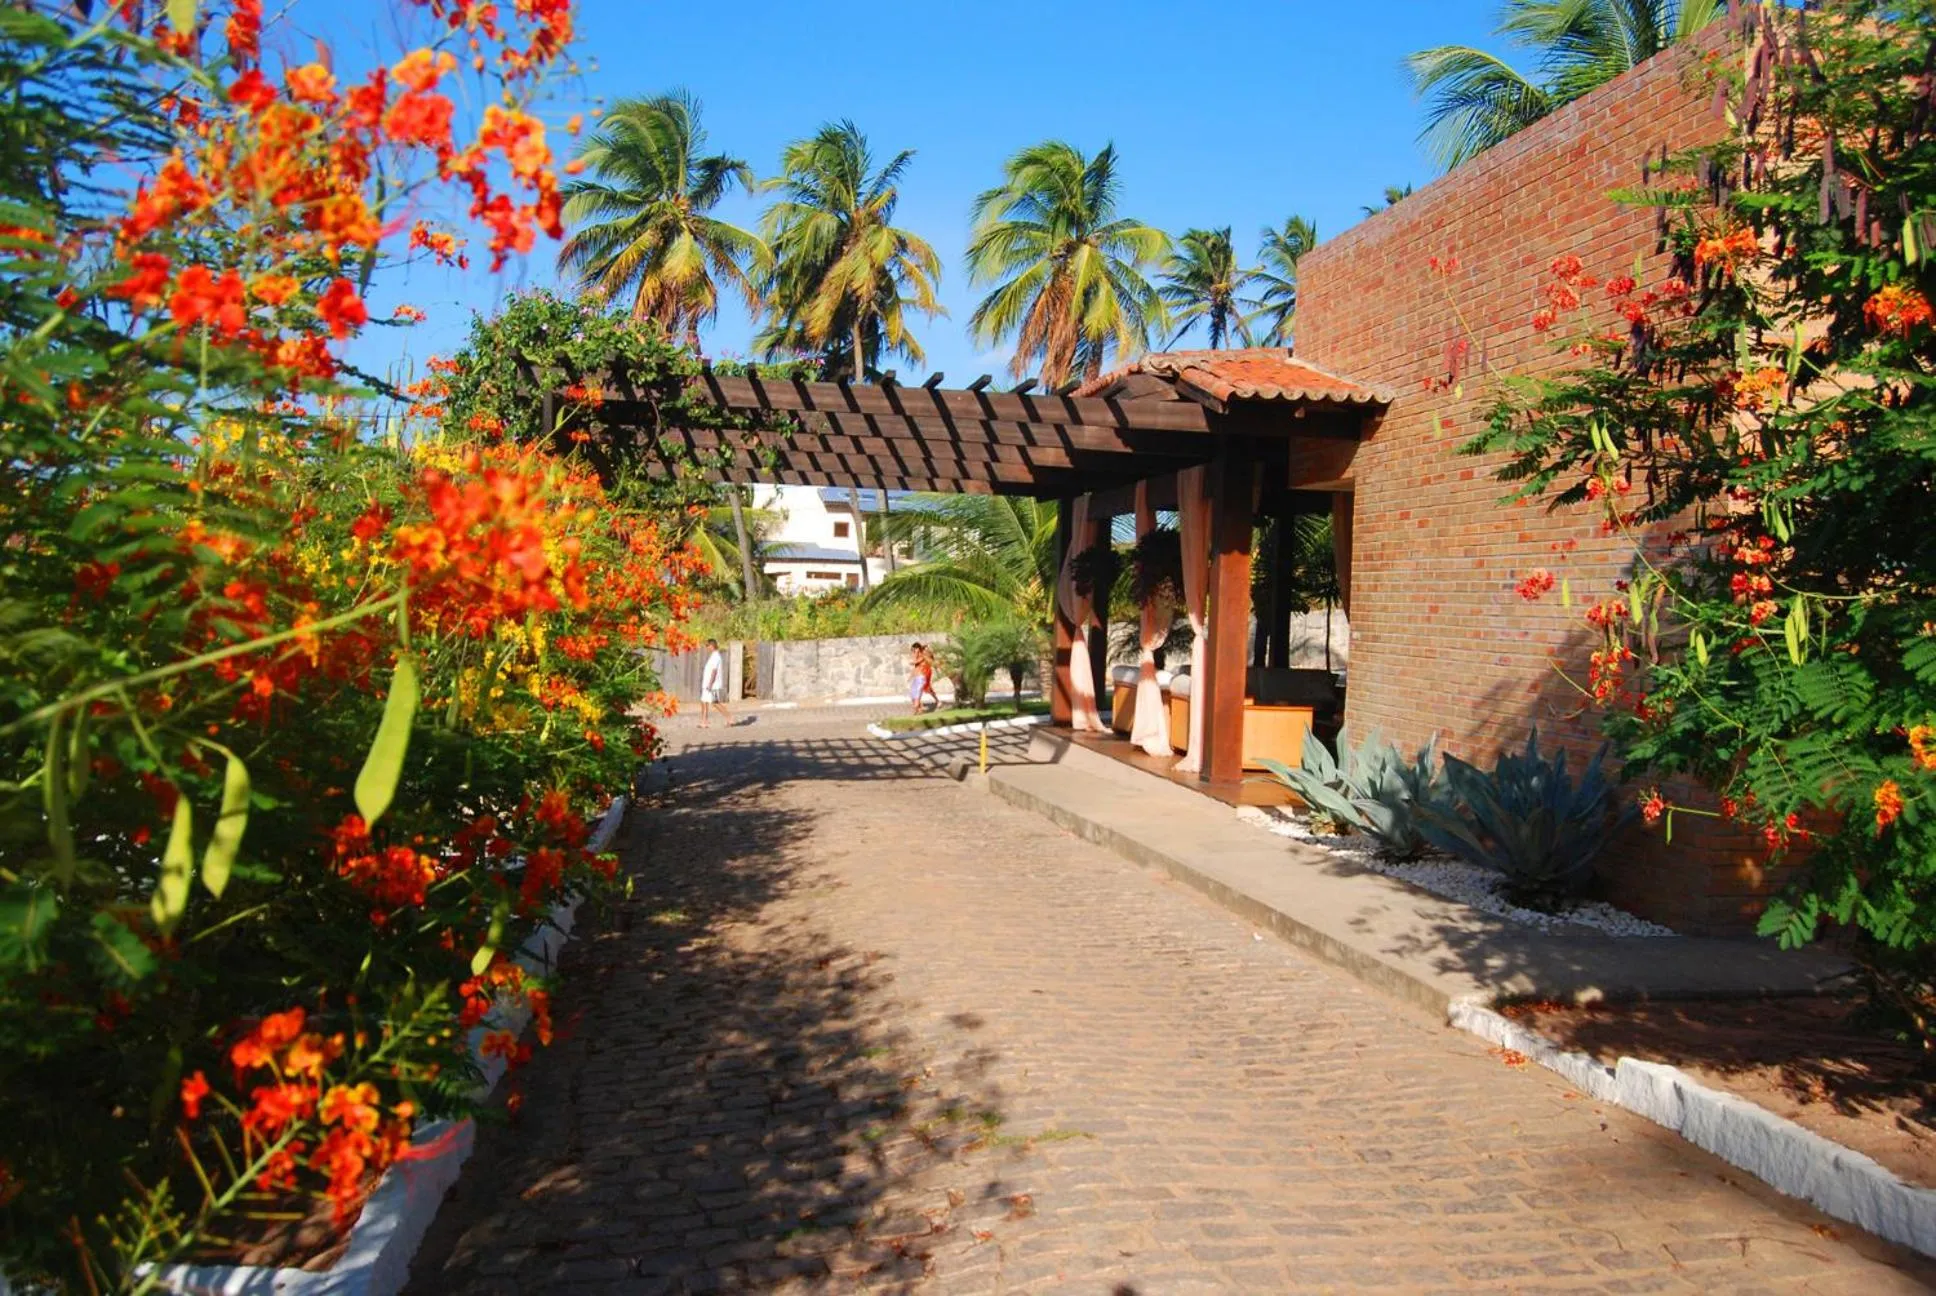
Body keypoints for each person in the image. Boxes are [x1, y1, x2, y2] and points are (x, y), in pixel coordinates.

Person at [699, 639, 733, 728]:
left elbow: (714, 671)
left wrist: (710, 684)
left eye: (707, 646)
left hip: (712, 685)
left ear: (712, 646)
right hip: (706, 684)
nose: (706, 648)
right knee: (704, 701)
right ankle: (704, 722)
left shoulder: (716, 657)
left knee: (715, 703)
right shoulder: (713, 656)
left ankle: (730, 718)